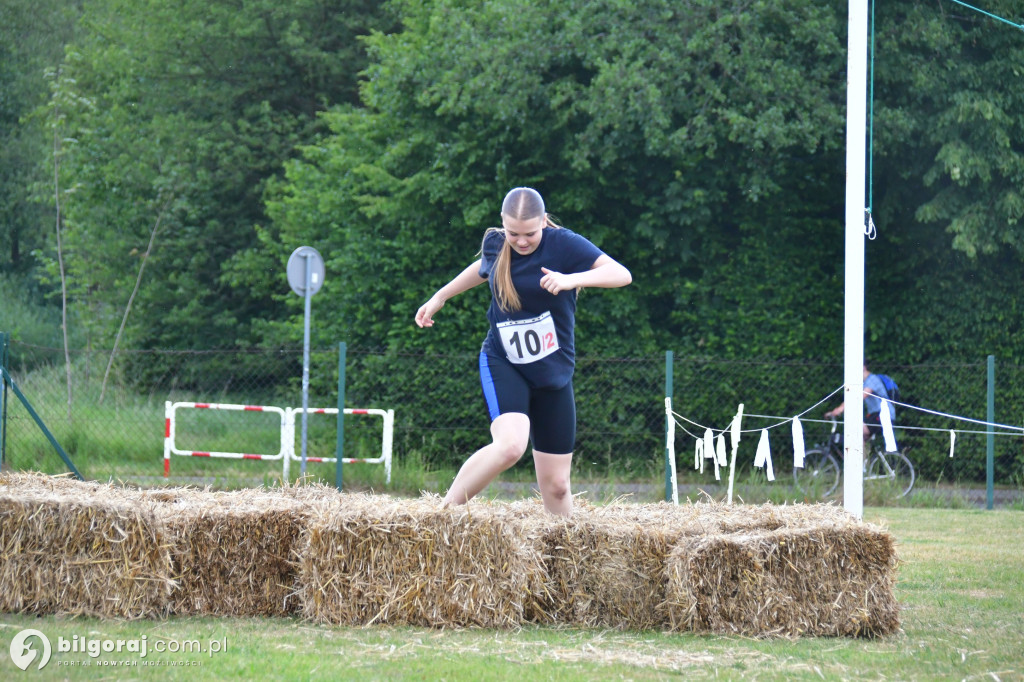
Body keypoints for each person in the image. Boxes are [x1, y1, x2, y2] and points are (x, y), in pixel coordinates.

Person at [414, 187, 632, 517]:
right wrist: (440, 296)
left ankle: (560, 562)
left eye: (530, 233)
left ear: (544, 221)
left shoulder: (564, 244)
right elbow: (481, 269)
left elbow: (621, 274)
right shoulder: (497, 243)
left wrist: (571, 279)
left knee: (558, 487)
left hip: (553, 374)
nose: (522, 241)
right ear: (503, 223)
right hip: (505, 362)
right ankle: (440, 517)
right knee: (510, 446)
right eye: (513, 233)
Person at [824, 361, 896, 447]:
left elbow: (859, 397)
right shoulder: (863, 383)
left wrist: (839, 410)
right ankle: (864, 459)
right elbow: (852, 398)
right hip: (874, 415)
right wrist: (838, 410)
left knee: (855, 433)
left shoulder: (873, 380)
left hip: (883, 415)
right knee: (857, 438)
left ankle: (859, 459)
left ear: (863, 367)